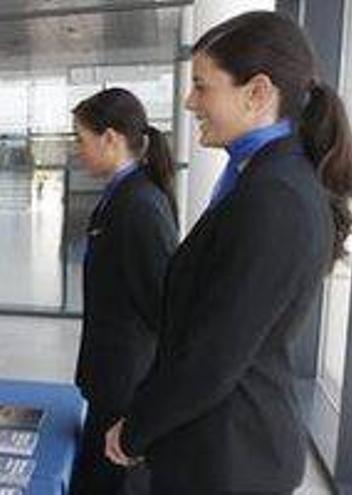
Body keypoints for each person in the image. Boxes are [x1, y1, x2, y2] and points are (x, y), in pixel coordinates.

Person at [104, 11, 352, 494]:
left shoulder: (275, 196)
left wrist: (135, 430)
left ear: (257, 93)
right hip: (215, 442)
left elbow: (213, 354)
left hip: (229, 458)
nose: (189, 101)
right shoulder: (262, 177)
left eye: (202, 86)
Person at [68, 88, 179, 495]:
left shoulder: (138, 207)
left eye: (81, 139)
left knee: (107, 483)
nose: (78, 150)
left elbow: (163, 308)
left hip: (126, 385)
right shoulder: (121, 197)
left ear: (110, 138)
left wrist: (144, 411)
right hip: (110, 376)